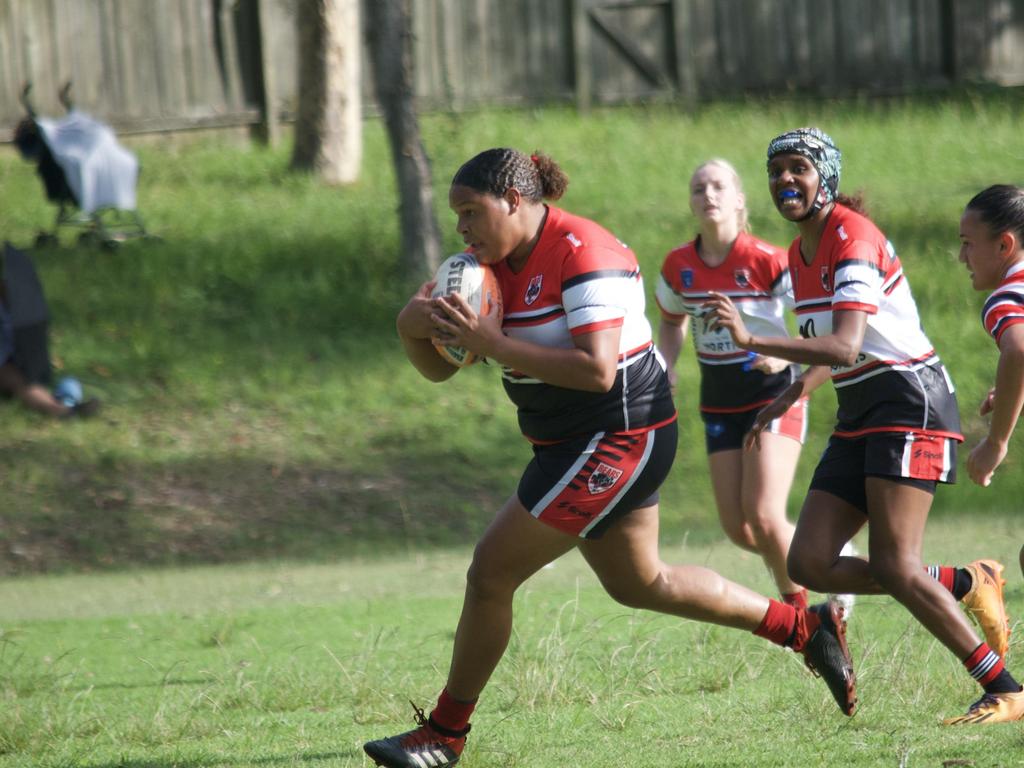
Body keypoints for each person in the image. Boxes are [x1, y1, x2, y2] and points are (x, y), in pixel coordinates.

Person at [363, 147, 857, 768]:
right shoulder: (475, 267)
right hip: (566, 440)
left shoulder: (581, 251)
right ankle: (805, 631)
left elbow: (598, 372)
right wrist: (413, 326)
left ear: (514, 201)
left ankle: (444, 733)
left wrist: (492, 340)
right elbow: (439, 369)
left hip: (620, 433)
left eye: (470, 211)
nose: (460, 226)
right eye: (456, 214)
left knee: (490, 573)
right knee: (641, 582)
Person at [704, 127, 1021, 724]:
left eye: (799, 168)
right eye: (776, 171)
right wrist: (792, 391)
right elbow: (836, 347)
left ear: (826, 177)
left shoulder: (853, 238)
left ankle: (1005, 687)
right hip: (860, 411)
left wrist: (750, 339)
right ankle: (967, 580)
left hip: (910, 403)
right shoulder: (800, 253)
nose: (785, 180)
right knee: (808, 562)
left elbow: (847, 346)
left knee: (897, 563)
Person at [655, 158, 818, 611]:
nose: (708, 194)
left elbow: (811, 320)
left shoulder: (767, 259)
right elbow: (670, 322)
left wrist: (780, 350)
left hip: (775, 394)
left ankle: (807, 616)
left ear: (739, 199)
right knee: (740, 528)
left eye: (718, 186)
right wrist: (667, 363)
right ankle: (832, 557)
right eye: (698, 188)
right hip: (719, 400)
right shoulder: (678, 265)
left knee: (764, 516)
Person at [958, 184, 1024, 579]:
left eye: (968, 244)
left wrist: (996, 442)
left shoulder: (1006, 297)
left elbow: (1018, 352)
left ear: (1004, 245)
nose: (962, 256)